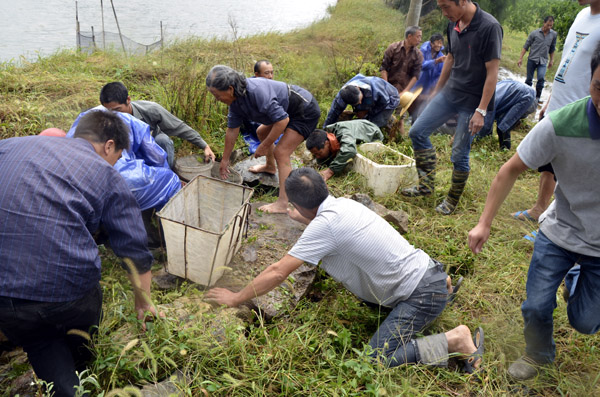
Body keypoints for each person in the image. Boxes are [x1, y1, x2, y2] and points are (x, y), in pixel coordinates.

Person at [206, 167, 483, 372]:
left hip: (419, 294)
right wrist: (304, 219)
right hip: (426, 272)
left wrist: (235, 298)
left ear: (299, 204)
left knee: (377, 360)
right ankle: (442, 290)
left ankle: (455, 339)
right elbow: (336, 235)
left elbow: (279, 271)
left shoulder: (324, 226)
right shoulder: (344, 205)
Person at [0, 110, 160, 397]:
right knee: (79, 329)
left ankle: (69, 387)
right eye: (119, 156)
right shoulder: (106, 174)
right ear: (109, 145)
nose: (117, 163)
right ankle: (85, 370)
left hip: (5, 297)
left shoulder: (10, 145)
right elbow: (134, 251)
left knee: (39, 340)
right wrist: (142, 304)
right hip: (68, 291)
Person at [468, 44, 600, 381]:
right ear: (590, 81)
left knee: (585, 322)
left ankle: (575, 277)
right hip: (561, 231)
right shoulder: (560, 125)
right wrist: (484, 223)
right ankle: (538, 353)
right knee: (536, 305)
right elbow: (509, 170)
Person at [401, 0, 502, 215]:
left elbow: (493, 72)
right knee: (417, 131)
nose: (444, 12)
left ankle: (452, 200)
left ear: (463, 1)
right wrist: (437, 92)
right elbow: (451, 58)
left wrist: (481, 110)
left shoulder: (489, 27)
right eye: (441, 7)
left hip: (473, 102)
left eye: (446, 6)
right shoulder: (453, 24)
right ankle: (426, 186)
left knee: (459, 153)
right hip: (450, 93)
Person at [514, 0, 600, 223]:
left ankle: (558, 223)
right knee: (550, 161)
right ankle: (540, 208)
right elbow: (569, 60)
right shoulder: (582, 15)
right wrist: (551, 97)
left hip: (581, 110)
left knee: (571, 171)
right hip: (559, 101)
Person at [206, 65, 321, 213]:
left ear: (230, 89)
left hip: (304, 109)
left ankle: (283, 203)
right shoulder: (235, 102)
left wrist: (264, 146)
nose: (216, 99)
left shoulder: (256, 93)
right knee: (261, 132)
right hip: (285, 110)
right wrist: (225, 160)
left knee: (281, 152)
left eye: (217, 95)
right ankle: (270, 167)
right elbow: (232, 130)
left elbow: (282, 121)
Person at [100, 82, 216, 168]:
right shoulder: (105, 118)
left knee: (163, 140)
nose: (115, 115)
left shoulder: (150, 110)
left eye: (118, 109)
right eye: (109, 111)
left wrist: (204, 146)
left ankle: (168, 176)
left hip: (152, 148)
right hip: (127, 153)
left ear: (128, 100)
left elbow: (178, 127)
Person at [380, 25, 424, 137]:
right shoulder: (393, 48)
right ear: (410, 36)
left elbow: (415, 76)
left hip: (403, 92)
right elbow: (384, 68)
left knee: (399, 119)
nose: (420, 40)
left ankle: (399, 141)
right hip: (387, 88)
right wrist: (386, 87)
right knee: (383, 115)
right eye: (418, 37)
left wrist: (405, 91)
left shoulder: (418, 55)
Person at [306, 119, 384, 181]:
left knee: (351, 151)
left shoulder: (343, 132)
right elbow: (321, 159)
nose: (317, 156)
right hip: (357, 128)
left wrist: (330, 171)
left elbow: (349, 150)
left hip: (372, 133)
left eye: (319, 153)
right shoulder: (324, 136)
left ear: (327, 143)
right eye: (315, 154)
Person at [323, 74, 400, 128]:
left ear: (358, 88)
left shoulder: (376, 90)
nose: (359, 102)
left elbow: (383, 104)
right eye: (356, 103)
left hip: (389, 99)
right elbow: (334, 112)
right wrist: (326, 128)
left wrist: (368, 113)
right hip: (369, 98)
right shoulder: (342, 96)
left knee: (373, 124)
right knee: (361, 118)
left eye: (359, 100)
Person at [476, 80, 536, 150]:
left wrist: (480, 139)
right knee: (502, 122)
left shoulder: (488, 102)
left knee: (503, 126)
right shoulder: (485, 94)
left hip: (526, 96)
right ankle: (505, 147)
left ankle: (505, 149)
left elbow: (486, 124)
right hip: (516, 90)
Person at [518, 16, 557, 102]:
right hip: (532, 59)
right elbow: (526, 46)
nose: (549, 27)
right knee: (529, 79)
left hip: (543, 61)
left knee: (541, 78)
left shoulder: (553, 35)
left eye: (551, 25)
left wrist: (551, 60)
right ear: (544, 23)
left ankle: (537, 98)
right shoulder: (534, 33)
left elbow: (552, 48)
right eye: (548, 25)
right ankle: (525, 96)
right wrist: (520, 58)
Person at [412, 33, 446, 118]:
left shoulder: (441, 56)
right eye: (437, 42)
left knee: (423, 106)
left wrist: (434, 88)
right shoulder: (422, 51)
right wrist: (435, 61)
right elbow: (421, 66)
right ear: (431, 43)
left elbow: (439, 74)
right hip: (419, 82)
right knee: (413, 103)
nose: (439, 45)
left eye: (440, 43)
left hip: (429, 85)